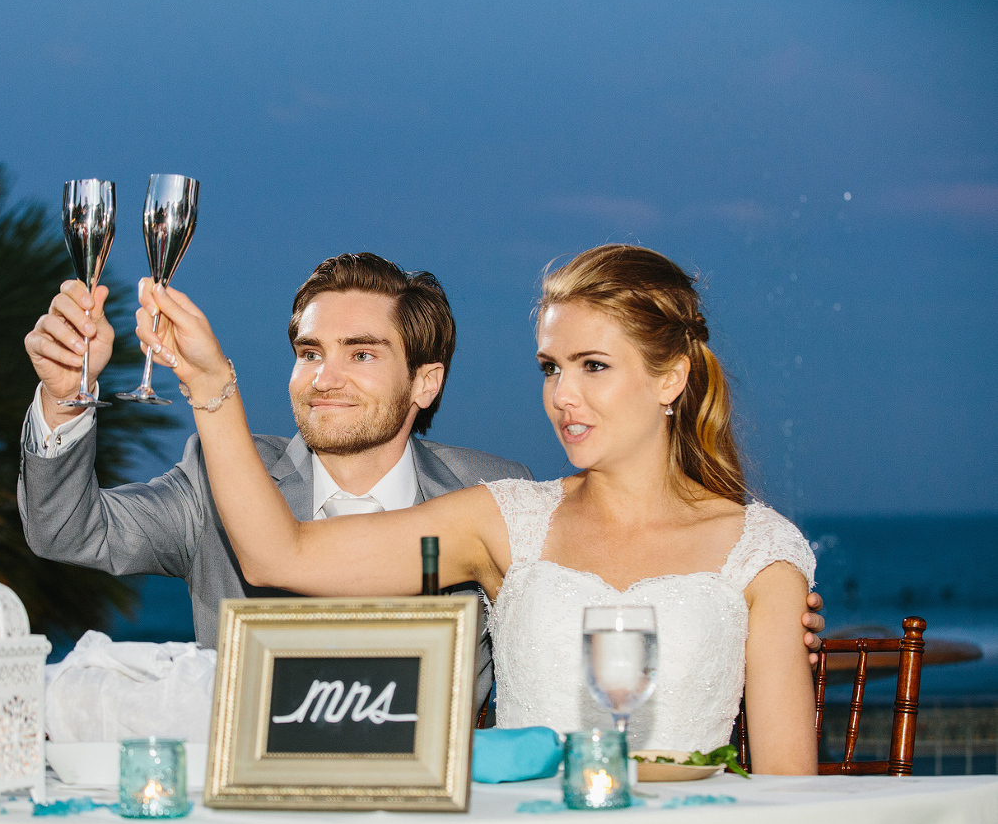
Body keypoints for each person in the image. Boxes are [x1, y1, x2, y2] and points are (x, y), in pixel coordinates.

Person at [137, 244, 819, 773]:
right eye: (551, 367)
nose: (563, 396)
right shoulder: (502, 519)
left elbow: (790, 785)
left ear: (669, 376)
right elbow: (277, 553)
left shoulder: (758, 551)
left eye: (593, 365)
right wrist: (209, 387)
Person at [19, 253, 532, 718]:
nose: (324, 379)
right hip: (256, 812)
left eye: (361, 355)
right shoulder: (217, 479)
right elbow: (67, 531)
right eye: (310, 353)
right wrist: (63, 397)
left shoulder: (494, 494)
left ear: (426, 381)